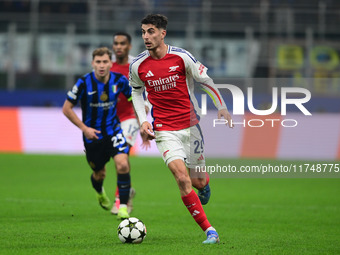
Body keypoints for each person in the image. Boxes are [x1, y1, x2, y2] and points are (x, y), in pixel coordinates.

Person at [130, 14, 233, 244]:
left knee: (197, 182)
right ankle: (210, 231)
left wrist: (222, 106)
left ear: (162, 33)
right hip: (164, 130)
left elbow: (206, 81)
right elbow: (136, 91)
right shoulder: (138, 65)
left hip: (190, 126)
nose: (146, 36)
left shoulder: (182, 57)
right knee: (181, 178)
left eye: (151, 31)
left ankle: (204, 183)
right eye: (143, 31)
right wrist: (143, 120)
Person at [62, 47, 132, 220]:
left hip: (114, 130)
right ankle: (99, 191)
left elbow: (133, 98)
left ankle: (122, 207)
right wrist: (84, 128)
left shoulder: (119, 80)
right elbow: (66, 108)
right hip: (93, 136)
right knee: (99, 174)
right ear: (93, 63)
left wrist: (142, 116)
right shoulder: (84, 82)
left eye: (105, 62)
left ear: (111, 63)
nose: (102, 65)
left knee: (122, 164)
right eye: (98, 62)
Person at [110, 32, 151, 215]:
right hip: (109, 119)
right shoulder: (106, 64)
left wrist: (146, 106)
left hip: (129, 117)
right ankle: (128, 190)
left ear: (129, 46)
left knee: (122, 154)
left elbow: (148, 86)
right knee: (115, 159)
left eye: (122, 43)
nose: (118, 46)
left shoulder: (136, 64)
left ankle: (120, 199)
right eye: (116, 43)